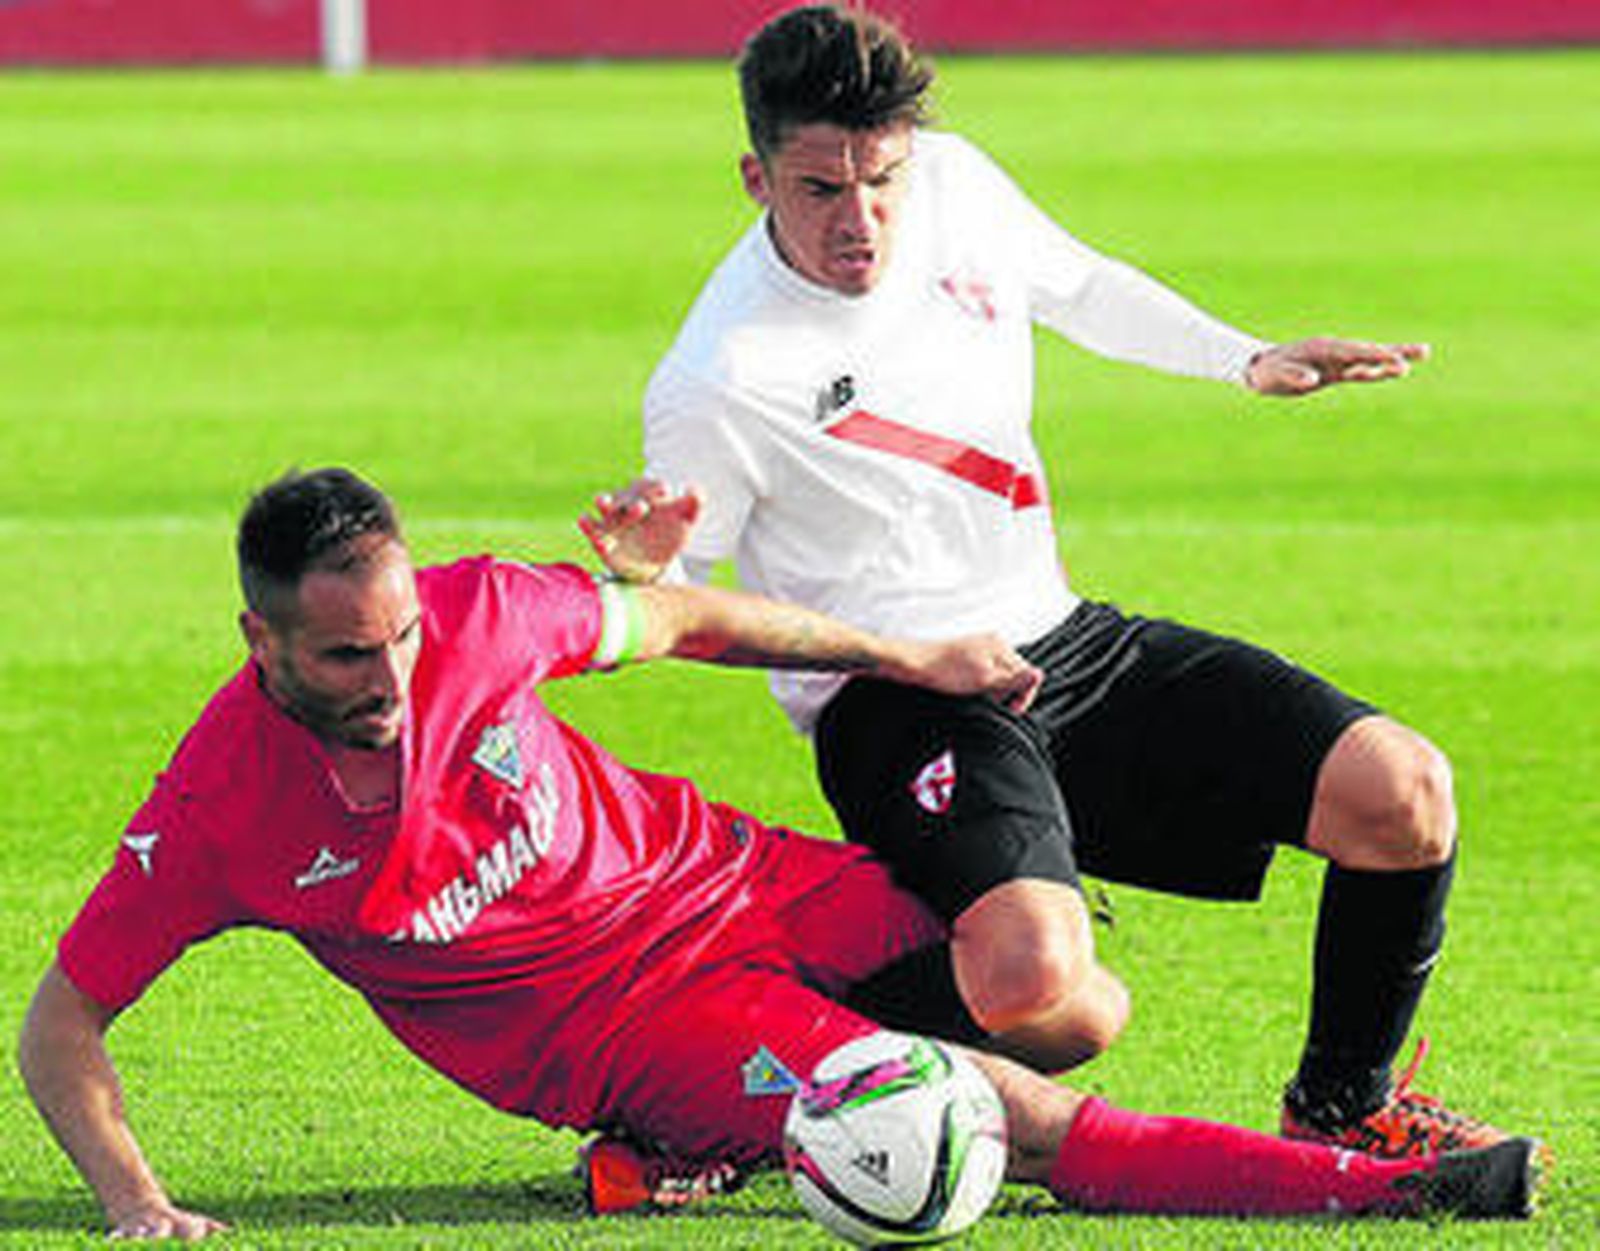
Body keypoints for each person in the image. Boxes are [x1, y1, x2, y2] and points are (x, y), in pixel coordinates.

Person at [16, 468, 1540, 1240]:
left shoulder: (482, 614)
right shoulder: (219, 811)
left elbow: (686, 618)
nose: (396, 678)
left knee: (1068, 1001)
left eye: (403, 634)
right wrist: (137, 1198)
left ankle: (693, 1154)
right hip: (617, 1018)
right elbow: (62, 1017)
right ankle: (1379, 1189)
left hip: (725, 875)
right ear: (260, 638)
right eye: (349, 655)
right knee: (996, 1112)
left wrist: (909, 656)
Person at [583, 1, 1514, 1162]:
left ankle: (1342, 1103)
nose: (861, 220)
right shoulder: (722, 376)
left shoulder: (960, 185)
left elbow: (1078, 286)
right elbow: (688, 608)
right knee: (1040, 989)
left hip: (1062, 643)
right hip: (898, 701)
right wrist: (652, 563)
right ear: (753, 177)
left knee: (1402, 792)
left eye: (882, 180)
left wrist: (1243, 356)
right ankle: (713, 1098)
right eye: (820, 189)